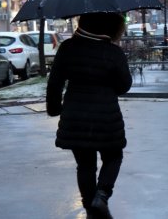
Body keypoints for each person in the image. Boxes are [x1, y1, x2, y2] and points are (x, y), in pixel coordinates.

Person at [47, 12, 132, 219]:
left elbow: (55, 82)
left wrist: (54, 108)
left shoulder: (68, 48)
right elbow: (124, 86)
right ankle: (102, 195)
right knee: (113, 156)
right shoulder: (113, 52)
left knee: (85, 164)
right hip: (106, 116)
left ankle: (90, 208)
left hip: (75, 115)